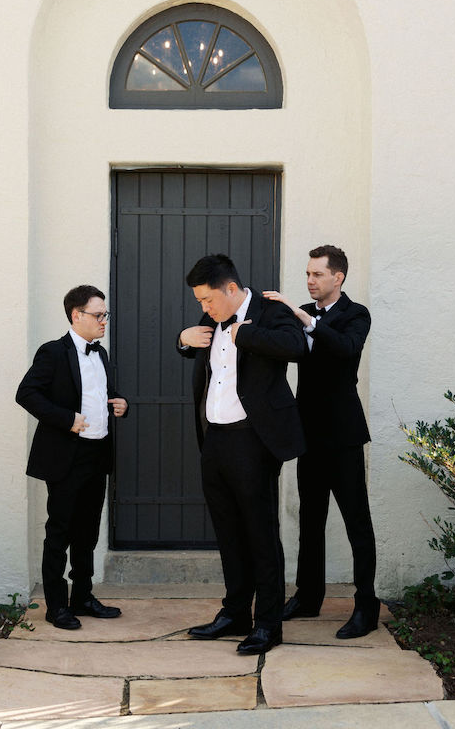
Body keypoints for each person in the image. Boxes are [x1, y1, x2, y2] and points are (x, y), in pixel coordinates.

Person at [177, 254, 305, 655]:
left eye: (207, 299)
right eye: (199, 302)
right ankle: (235, 613)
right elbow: (196, 350)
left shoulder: (270, 311)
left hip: (253, 439)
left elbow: (297, 346)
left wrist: (242, 335)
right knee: (228, 531)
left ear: (231, 289)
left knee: (261, 534)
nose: (204, 307)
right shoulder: (211, 319)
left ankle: (268, 623)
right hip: (214, 438)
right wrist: (183, 339)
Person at [263, 245, 379, 638]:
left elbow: (346, 349)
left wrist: (306, 322)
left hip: (344, 436)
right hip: (307, 435)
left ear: (338, 278)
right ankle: (308, 597)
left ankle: (366, 607)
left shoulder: (355, 314)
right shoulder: (302, 312)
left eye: (317, 274)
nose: (309, 281)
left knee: (356, 524)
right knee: (310, 522)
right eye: (308, 274)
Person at [16, 285, 128, 630]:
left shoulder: (102, 354)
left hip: (97, 452)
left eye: (105, 314)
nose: (104, 321)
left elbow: (100, 395)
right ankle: (57, 605)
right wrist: (67, 420)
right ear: (76, 315)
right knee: (60, 531)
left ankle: (83, 596)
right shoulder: (52, 352)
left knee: (88, 532)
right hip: (67, 455)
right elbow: (27, 394)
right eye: (98, 315)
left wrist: (120, 404)